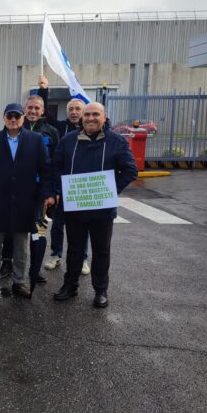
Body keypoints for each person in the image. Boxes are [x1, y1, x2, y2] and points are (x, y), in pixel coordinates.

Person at [52, 102, 138, 308]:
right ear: (82, 117)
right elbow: (55, 167)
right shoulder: (68, 141)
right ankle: (70, 286)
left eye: (95, 114)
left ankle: (101, 290)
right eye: (87, 114)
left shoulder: (116, 142)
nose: (91, 118)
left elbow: (130, 171)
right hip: (75, 209)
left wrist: (109, 191)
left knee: (101, 251)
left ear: (104, 117)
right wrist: (61, 189)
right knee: (74, 250)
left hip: (102, 210)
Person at [0, 103, 55, 299]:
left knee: (21, 245)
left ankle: (19, 282)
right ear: (4, 117)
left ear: (23, 118)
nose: (13, 119)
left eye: (17, 116)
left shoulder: (35, 140)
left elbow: (45, 170)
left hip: (25, 201)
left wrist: (48, 193)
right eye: (10, 116)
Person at [36, 75, 91, 274]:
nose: (75, 112)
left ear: (85, 112)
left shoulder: (91, 129)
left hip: (82, 186)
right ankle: (56, 254)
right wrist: (43, 90)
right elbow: (45, 115)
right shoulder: (60, 128)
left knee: (82, 226)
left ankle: (83, 258)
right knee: (58, 224)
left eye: (78, 109)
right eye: (71, 109)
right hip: (62, 184)